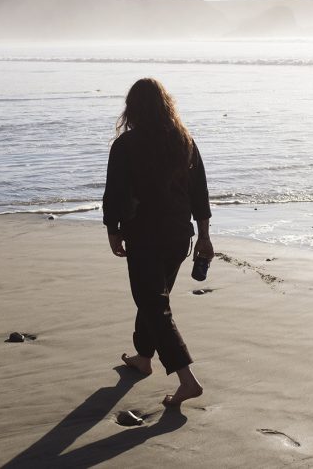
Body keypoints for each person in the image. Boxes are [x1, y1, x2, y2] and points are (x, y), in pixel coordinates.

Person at [102, 77, 213, 407]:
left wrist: (113, 229)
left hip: (145, 235)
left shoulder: (125, 145)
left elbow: (115, 194)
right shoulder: (184, 141)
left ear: (131, 109)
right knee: (154, 299)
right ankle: (143, 356)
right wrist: (205, 236)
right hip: (179, 236)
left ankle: (187, 380)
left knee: (153, 303)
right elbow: (200, 195)